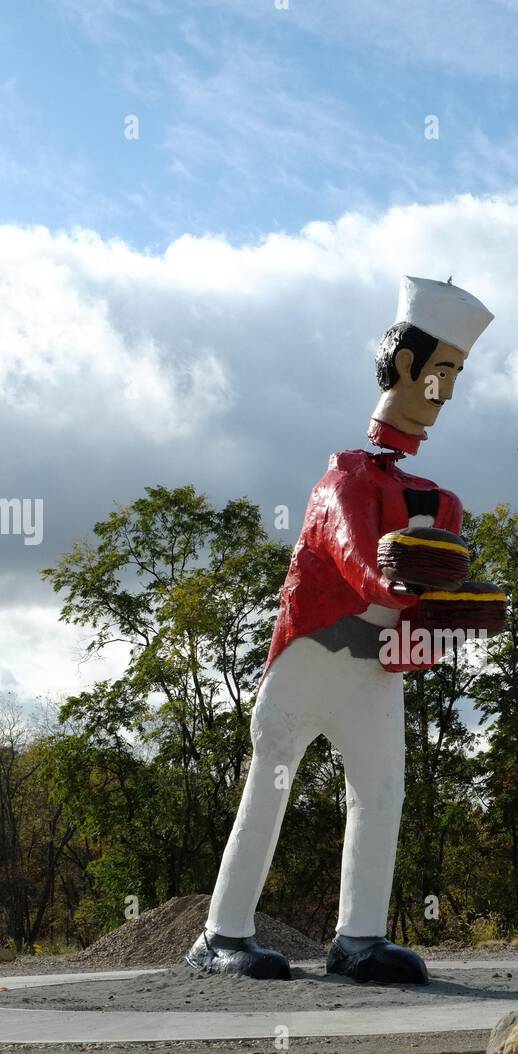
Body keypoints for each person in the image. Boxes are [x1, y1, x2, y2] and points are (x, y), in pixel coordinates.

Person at [185, 275, 494, 982]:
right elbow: (357, 561)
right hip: (310, 659)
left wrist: (453, 620)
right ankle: (222, 934)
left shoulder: (441, 503)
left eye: (456, 378)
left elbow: (422, 607)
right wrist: (403, 583)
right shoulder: (344, 480)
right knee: (270, 782)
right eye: (441, 374)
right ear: (408, 367)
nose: (444, 395)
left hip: (372, 669)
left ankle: (357, 938)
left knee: (381, 791)